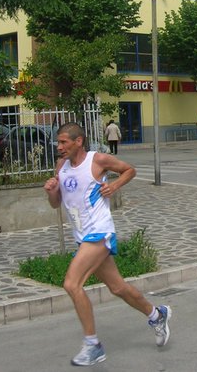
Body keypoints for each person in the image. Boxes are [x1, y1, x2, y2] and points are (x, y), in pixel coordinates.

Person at [43, 122, 171, 366]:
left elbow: (129, 170)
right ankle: (157, 315)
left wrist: (114, 185)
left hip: (99, 232)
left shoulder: (98, 160)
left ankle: (93, 345)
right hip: (83, 237)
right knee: (118, 288)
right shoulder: (61, 166)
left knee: (72, 284)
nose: (59, 147)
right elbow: (56, 203)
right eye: (58, 143)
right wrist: (51, 191)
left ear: (78, 141)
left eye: (63, 142)